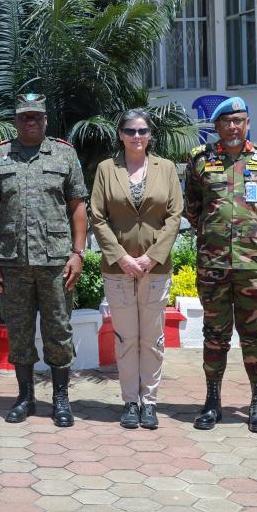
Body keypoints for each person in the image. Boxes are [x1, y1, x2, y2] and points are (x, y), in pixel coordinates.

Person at [0, 93, 88, 428]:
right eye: (25, 116)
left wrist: (78, 253)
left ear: (45, 120)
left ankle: (60, 399)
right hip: (12, 262)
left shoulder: (64, 155)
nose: (31, 121)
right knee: (19, 331)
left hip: (56, 262)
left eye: (36, 117)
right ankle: (25, 397)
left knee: (58, 329)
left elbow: (78, 206)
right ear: (15, 120)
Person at [184, 97, 257, 433]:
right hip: (212, 265)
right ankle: (212, 401)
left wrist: (252, 237)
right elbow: (193, 209)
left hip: (251, 265)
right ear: (217, 126)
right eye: (226, 121)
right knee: (214, 335)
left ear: (247, 123)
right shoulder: (200, 160)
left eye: (239, 120)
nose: (232, 127)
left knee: (254, 335)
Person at [88, 108, 181, 430]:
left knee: (152, 338)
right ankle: (130, 401)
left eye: (142, 131)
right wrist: (121, 257)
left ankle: (150, 402)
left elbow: (174, 216)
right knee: (126, 337)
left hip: (155, 268)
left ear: (150, 135)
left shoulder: (166, 168)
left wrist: (152, 256)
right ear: (120, 134)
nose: (136, 137)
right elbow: (97, 216)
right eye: (130, 131)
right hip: (118, 269)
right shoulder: (106, 169)